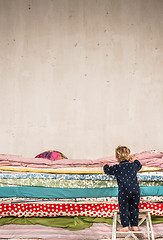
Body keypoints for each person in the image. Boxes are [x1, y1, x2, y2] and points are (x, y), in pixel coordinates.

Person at [103, 146, 142, 232]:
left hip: (124, 191)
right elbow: (139, 166)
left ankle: (125, 226)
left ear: (117, 158)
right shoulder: (133, 165)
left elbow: (107, 171)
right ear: (129, 156)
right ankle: (134, 225)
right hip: (135, 190)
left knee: (124, 208)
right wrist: (135, 159)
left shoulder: (117, 167)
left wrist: (105, 165)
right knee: (134, 207)